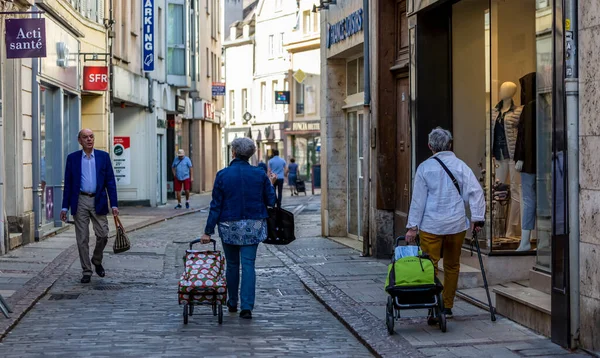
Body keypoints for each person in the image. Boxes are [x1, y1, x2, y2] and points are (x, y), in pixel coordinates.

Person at [405, 127, 485, 319]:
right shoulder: (461, 166)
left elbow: (418, 201)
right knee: (452, 265)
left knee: (429, 264)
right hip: (456, 224)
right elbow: (476, 192)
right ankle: (447, 305)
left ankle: (433, 303)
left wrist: (412, 227)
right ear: (450, 144)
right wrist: (477, 218)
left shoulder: (424, 168)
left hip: (431, 225)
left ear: (430, 146)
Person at [200, 137, 277, 320]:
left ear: (233, 152)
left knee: (232, 264)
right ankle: (247, 307)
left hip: (229, 225)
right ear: (251, 154)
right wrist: (271, 184)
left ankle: (232, 302)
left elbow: (216, 205)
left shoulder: (223, 175)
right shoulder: (259, 175)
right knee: (248, 264)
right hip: (253, 224)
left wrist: (208, 230)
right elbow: (271, 201)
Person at [60, 129, 119, 284]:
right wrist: (64, 207)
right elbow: (68, 184)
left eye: (91, 137)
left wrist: (113, 204)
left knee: (103, 234)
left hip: (98, 200)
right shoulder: (72, 159)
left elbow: (110, 182)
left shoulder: (103, 157)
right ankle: (86, 271)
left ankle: (96, 260)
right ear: (79, 140)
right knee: (82, 238)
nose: (89, 139)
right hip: (80, 200)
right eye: (85, 137)